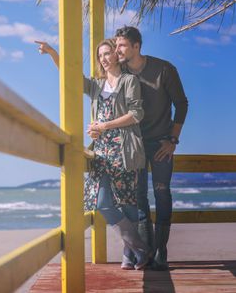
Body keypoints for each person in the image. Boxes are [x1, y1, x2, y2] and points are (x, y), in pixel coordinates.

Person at [36, 39, 150, 270]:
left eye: (108, 53)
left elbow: (137, 114)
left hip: (124, 149)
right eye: (100, 56)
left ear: (117, 55)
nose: (104, 59)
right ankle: (141, 247)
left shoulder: (129, 81)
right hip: (101, 152)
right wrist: (52, 54)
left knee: (128, 202)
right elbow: (71, 76)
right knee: (101, 201)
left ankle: (130, 254)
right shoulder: (96, 86)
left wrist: (104, 126)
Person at [114, 26, 189, 271]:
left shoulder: (164, 69)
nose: (117, 50)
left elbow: (182, 104)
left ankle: (161, 251)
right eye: (116, 46)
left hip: (161, 144)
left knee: (162, 192)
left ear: (137, 46)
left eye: (122, 45)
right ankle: (145, 251)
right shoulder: (120, 72)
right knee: (138, 197)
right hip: (134, 144)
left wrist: (173, 141)